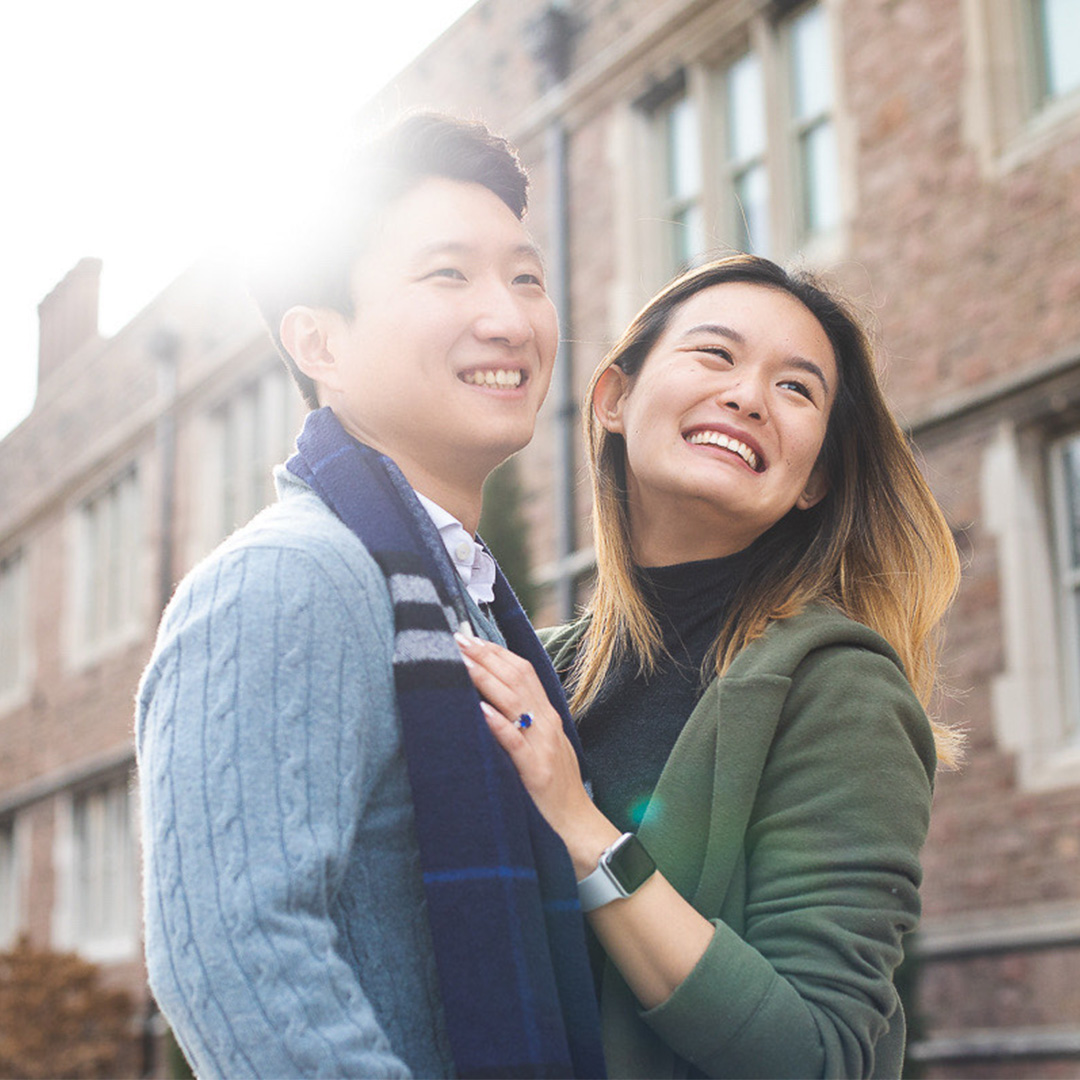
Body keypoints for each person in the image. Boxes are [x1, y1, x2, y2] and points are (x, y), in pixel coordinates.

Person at [135, 113, 605, 1080]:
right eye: (448, 275)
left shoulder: (457, 596)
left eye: (525, 276)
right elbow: (236, 959)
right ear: (320, 342)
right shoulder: (291, 577)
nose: (511, 318)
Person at [455, 253, 962, 1079]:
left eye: (797, 389)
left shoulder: (840, 689)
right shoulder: (533, 667)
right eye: (716, 355)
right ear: (614, 399)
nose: (749, 397)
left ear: (815, 479)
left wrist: (582, 829)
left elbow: (820, 1055)